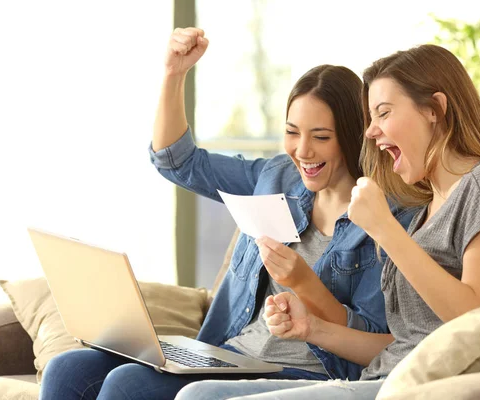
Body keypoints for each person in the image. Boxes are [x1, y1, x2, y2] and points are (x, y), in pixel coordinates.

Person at [39, 28, 415, 400]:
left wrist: (303, 282)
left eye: (320, 137)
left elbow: (375, 337)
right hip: (231, 354)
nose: (302, 151)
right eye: (291, 132)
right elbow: (177, 161)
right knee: (67, 368)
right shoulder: (276, 178)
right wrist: (174, 74)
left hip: (306, 371)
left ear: (351, 136)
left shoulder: (387, 216)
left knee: (127, 385)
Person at [174, 44, 480, 400]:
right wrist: (312, 328)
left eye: (383, 113)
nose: (370, 132)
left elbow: (474, 320)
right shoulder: (428, 208)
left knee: (201, 396)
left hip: (425, 386)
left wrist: (384, 229)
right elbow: (402, 344)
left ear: (435, 108)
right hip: (386, 376)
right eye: (371, 118)